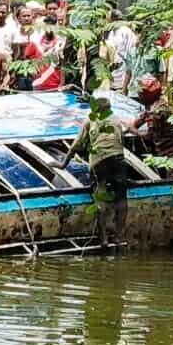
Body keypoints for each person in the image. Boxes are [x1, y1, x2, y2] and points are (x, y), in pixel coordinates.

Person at [50, 96, 134, 248]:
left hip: (99, 162)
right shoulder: (116, 120)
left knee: (100, 196)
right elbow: (121, 141)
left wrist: (63, 164)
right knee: (121, 198)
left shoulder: (90, 121)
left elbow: (76, 145)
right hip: (118, 159)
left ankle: (103, 239)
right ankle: (119, 237)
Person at [133, 77, 173, 158]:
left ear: (146, 95)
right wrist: (141, 119)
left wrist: (133, 130)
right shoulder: (160, 103)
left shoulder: (156, 112)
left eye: (140, 93)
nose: (138, 95)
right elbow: (139, 121)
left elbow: (148, 137)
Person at [29, 14, 64, 91]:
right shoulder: (35, 41)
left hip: (56, 86)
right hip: (38, 85)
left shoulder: (60, 42)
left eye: (53, 25)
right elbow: (29, 59)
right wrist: (34, 75)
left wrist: (62, 84)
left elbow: (63, 65)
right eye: (48, 25)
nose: (50, 28)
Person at [105, 9, 137, 93]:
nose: (106, 21)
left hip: (124, 68)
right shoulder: (111, 32)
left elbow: (132, 48)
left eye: (108, 18)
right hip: (113, 68)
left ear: (113, 19)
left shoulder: (126, 31)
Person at [11, 5, 36, 90]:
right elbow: (13, 55)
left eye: (28, 16)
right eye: (24, 16)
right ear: (18, 18)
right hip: (19, 70)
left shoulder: (38, 32)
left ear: (32, 16)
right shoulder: (14, 33)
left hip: (36, 68)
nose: (26, 18)